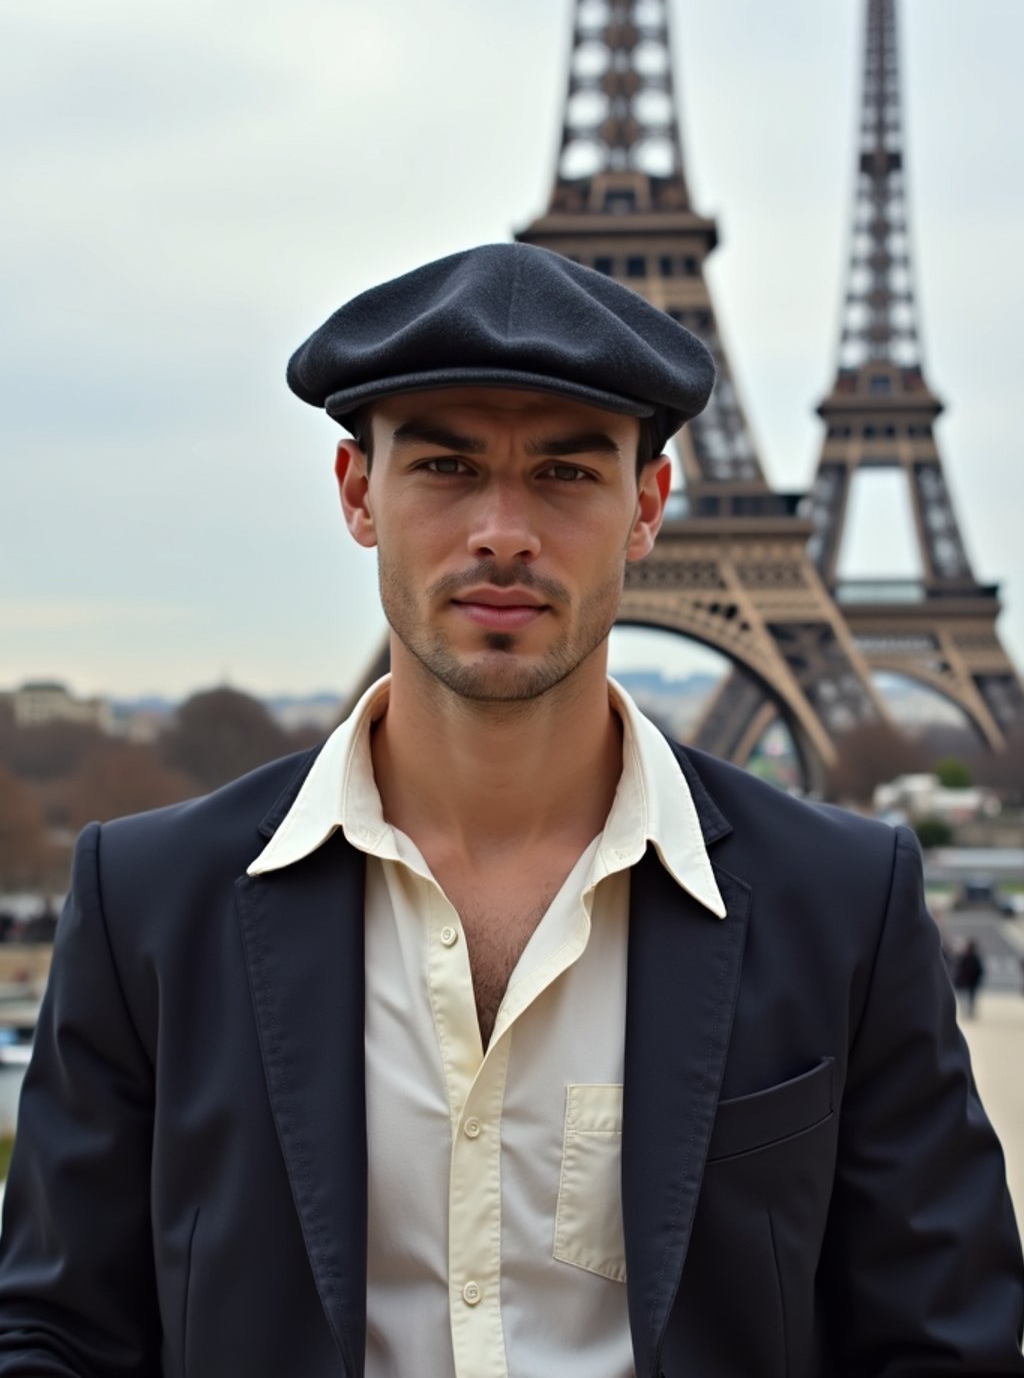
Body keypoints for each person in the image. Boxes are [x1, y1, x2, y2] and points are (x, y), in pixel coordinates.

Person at [0, 242, 1022, 1376]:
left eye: (565, 474)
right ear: (357, 494)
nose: (502, 531)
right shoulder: (143, 905)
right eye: (444, 468)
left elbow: (942, 1343)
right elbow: (60, 1335)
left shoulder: (847, 908)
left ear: (647, 506)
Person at [955, 937, 986, 1019]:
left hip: (967, 982)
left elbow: (959, 969)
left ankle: (968, 1012)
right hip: (971, 982)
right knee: (970, 999)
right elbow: (980, 971)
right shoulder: (974, 958)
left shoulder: (965, 957)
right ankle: (969, 1012)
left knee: (966, 999)